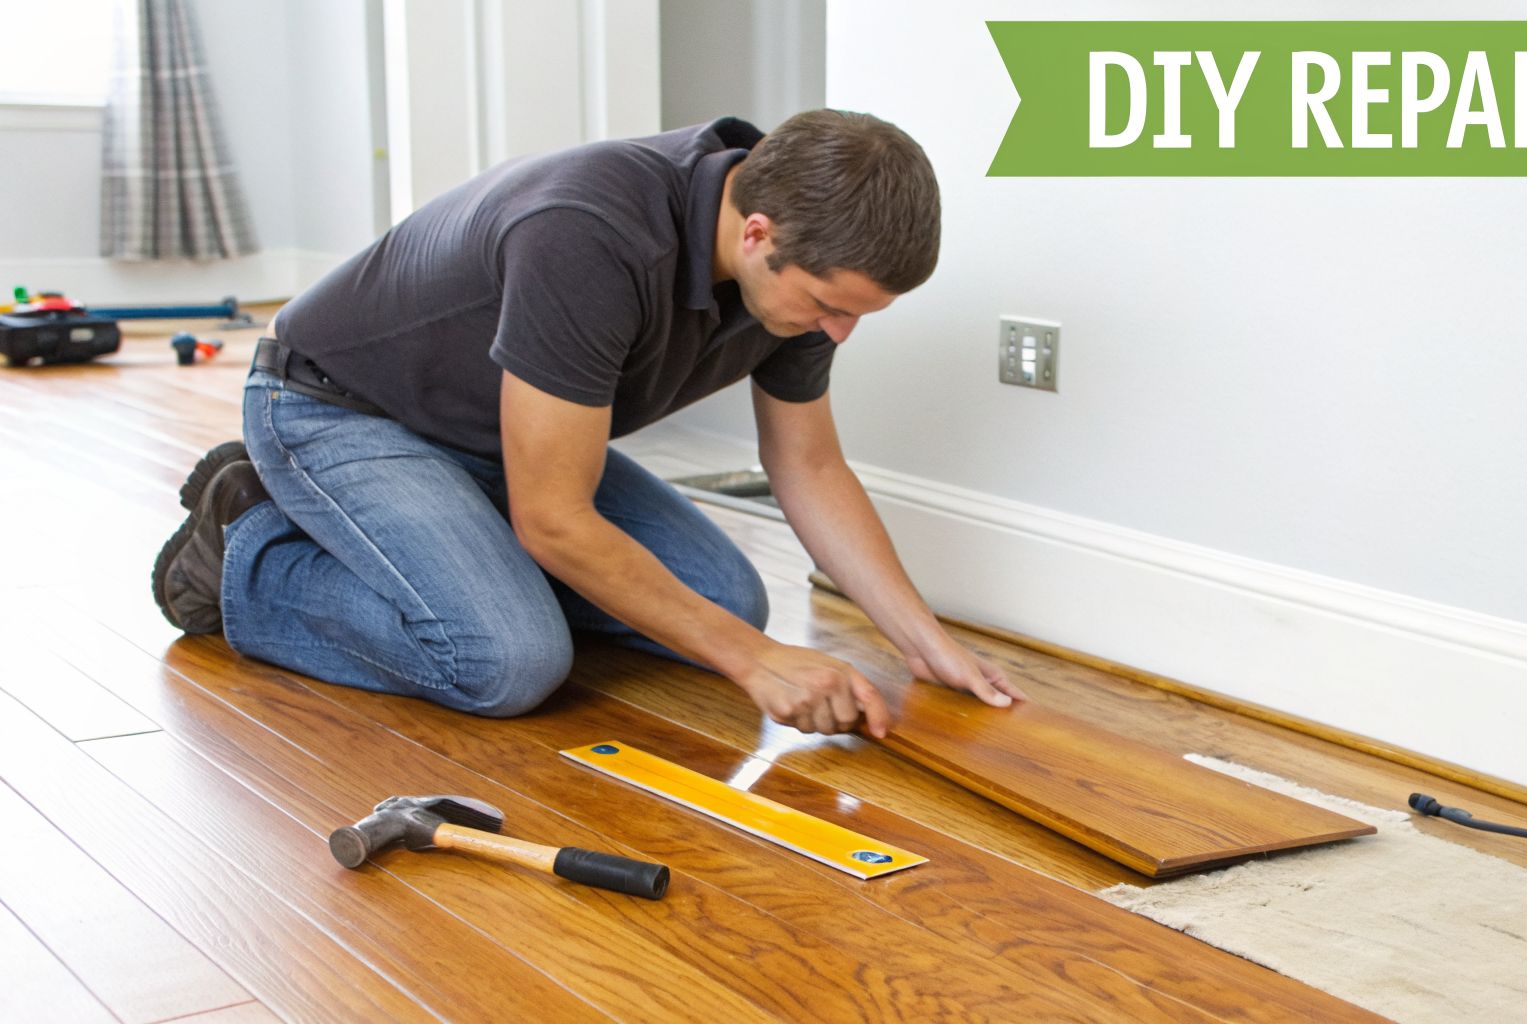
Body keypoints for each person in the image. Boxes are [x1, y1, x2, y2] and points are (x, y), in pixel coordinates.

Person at [150, 110, 1025, 738]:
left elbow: (809, 467)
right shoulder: (592, 235)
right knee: (507, 663)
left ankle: (454, 558)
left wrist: (924, 643)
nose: (838, 333)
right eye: (832, 306)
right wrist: (755, 661)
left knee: (729, 602)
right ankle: (248, 547)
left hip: (493, 436)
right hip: (338, 408)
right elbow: (553, 518)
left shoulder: (796, 272)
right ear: (758, 234)